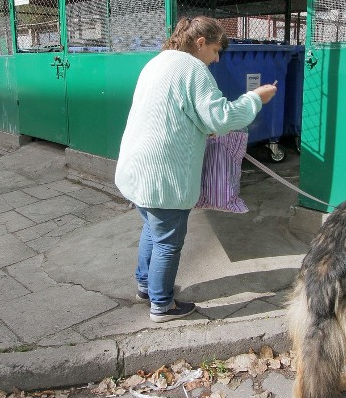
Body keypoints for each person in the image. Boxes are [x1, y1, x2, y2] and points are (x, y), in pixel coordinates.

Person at [115, 16, 278, 323]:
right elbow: (222, 118)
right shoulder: (193, 69)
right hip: (164, 175)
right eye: (216, 50)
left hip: (137, 171)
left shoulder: (157, 63)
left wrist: (203, 126)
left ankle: (145, 286)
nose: (216, 59)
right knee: (168, 241)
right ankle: (162, 305)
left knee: (153, 228)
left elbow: (177, 110)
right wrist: (256, 98)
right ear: (200, 42)